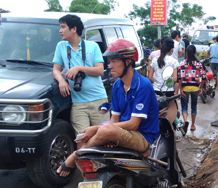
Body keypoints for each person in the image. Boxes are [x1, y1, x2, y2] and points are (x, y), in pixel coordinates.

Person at [56, 39, 160, 177]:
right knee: (87, 134)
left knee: (102, 129)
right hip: (123, 132)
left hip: (142, 137)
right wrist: (106, 134)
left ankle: (75, 155)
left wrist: (97, 129)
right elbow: (114, 119)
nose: (109, 66)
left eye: (114, 61)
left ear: (128, 61)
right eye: (109, 61)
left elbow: (134, 124)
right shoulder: (117, 85)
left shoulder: (143, 85)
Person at [52, 14, 108, 134]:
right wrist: (61, 81)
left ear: (74, 29)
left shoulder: (92, 46)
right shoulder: (61, 46)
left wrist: (78, 68)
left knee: (103, 136)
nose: (60, 30)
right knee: (81, 138)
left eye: (63, 27)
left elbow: (99, 70)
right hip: (78, 103)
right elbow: (56, 70)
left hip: (98, 99)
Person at [179, 45, 206, 133]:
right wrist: (201, 88)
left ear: (186, 53)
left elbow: (179, 78)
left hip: (185, 88)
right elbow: (204, 77)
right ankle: (193, 125)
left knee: (184, 107)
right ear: (195, 53)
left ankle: (185, 122)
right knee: (194, 107)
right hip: (195, 88)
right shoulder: (199, 64)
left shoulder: (182, 63)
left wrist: (181, 89)